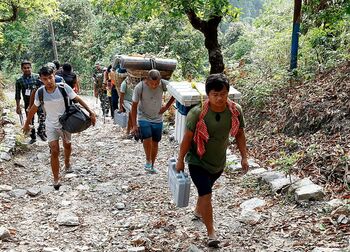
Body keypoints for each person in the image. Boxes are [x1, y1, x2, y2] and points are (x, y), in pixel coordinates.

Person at [175, 73, 249, 248]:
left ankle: (198, 211)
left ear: (228, 93)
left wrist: (244, 157)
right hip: (197, 160)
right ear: (208, 95)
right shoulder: (197, 113)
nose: (219, 98)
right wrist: (180, 160)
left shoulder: (235, 111)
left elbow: (240, 134)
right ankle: (211, 233)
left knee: (204, 193)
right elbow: (187, 138)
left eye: (223, 94)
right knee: (206, 193)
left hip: (218, 162)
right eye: (215, 94)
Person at [23, 66, 96, 190]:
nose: (49, 81)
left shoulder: (63, 88)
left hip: (66, 123)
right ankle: (56, 178)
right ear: (41, 79)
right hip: (50, 125)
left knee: (67, 145)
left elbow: (77, 99)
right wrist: (26, 123)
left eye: (50, 78)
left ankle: (67, 162)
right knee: (54, 150)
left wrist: (91, 112)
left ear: (54, 75)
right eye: (45, 79)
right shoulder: (40, 92)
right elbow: (33, 109)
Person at [130, 69, 175, 173]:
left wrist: (167, 106)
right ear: (147, 79)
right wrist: (134, 125)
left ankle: (152, 165)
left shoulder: (163, 84)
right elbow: (134, 106)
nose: (154, 85)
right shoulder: (140, 87)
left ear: (160, 80)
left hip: (157, 118)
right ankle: (148, 160)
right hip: (143, 116)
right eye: (152, 83)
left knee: (155, 142)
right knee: (147, 137)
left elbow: (175, 92)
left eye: (157, 83)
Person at [15, 60, 45, 143]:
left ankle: (41, 132)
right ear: (22, 69)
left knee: (42, 117)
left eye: (28, 67)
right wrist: (18, 106)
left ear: (31, 68)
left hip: (39, 101)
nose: (27, 69)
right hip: (28, 102)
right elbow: (17, 95)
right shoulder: (19, 81)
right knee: (30, 119)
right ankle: (33, 137)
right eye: (24, 68)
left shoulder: (37, 77)